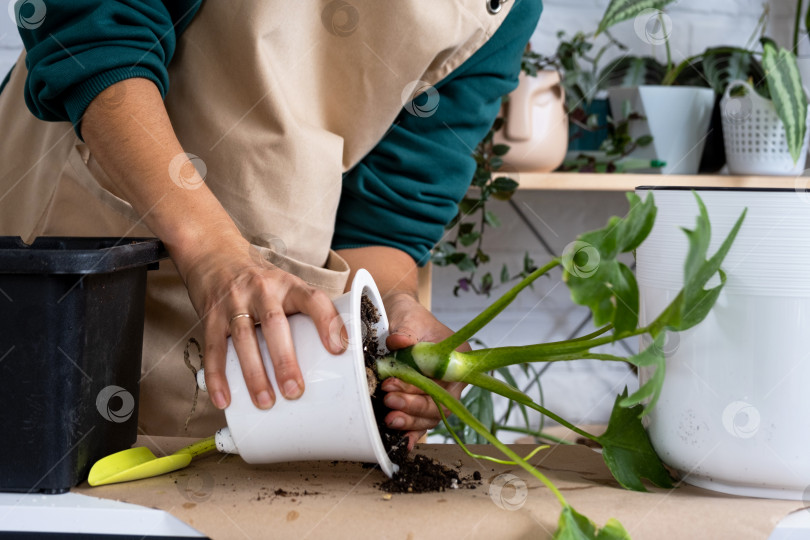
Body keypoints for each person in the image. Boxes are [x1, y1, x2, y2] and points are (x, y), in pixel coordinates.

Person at [0, 0, 542, 448]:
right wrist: (212, 251)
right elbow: (94, 30)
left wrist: (386, 316)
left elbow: (392, 213)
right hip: (73, 259)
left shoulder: (505, 11)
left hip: (257, 362)